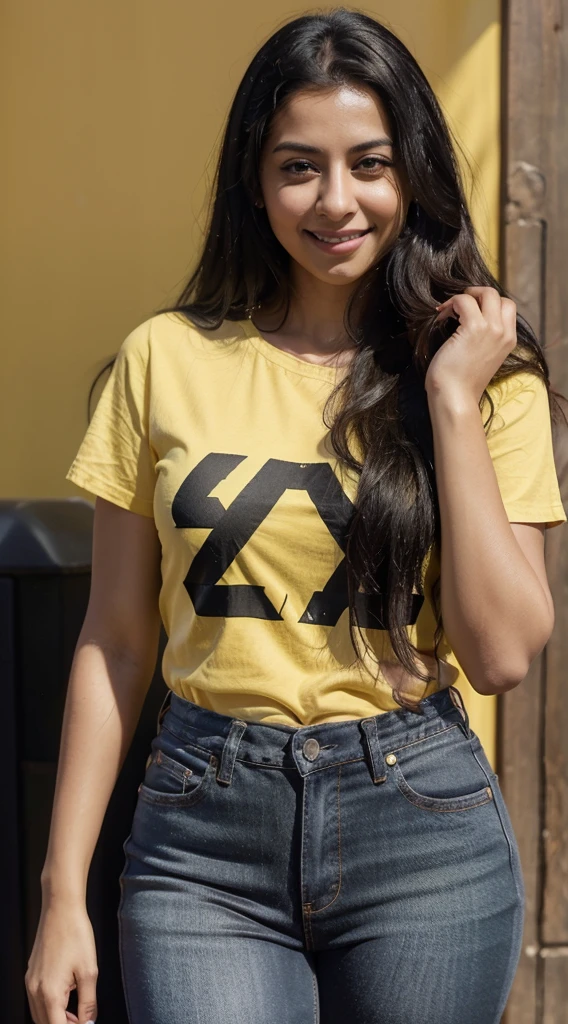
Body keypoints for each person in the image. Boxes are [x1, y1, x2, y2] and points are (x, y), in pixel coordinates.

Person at [25, 8, 567, 1024]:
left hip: (420, 829)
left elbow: (500, 656)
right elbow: (113, 641)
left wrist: (450, 403)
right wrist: (63, 895)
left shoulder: (493, 387)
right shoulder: (164, 361)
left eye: (367, 163)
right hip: (201, 836)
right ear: (252, 178)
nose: (335, 201)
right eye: (296, 167)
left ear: (412, 170)